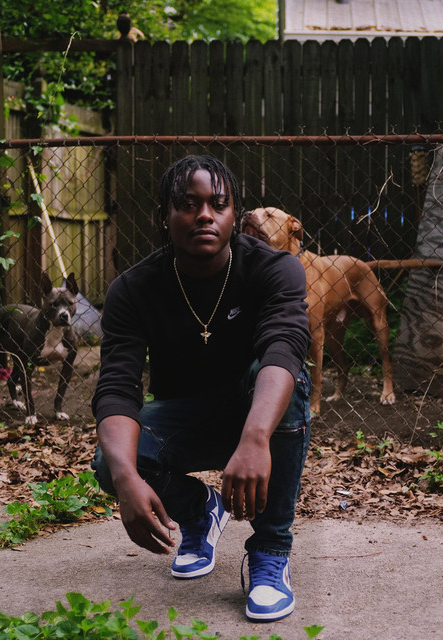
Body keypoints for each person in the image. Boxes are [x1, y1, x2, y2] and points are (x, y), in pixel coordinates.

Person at [91, 155, 311, 622]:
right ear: (165, 216)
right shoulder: (133, 289)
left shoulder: (275, 270)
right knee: (111, 463)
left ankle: (270, 550)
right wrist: (126, 480)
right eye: (188, 205)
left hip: (258, 416)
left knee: (287, 377)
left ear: (235, 215)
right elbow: (117, 388)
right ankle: (198, 512)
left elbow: (284, 349)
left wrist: (255, 438)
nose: (205, 215)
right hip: (186, 418)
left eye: (218, 204)